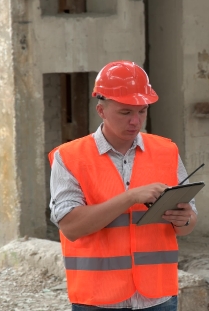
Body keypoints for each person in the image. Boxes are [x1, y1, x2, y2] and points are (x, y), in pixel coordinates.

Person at [48, 60, 197, 311]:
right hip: (97, 300)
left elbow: (188, 226)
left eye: (142, 111)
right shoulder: (70, 157)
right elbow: (71, 227)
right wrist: (130, 197)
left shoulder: (166, 151)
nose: (135, 121)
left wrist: (183, 219)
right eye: (125, 112)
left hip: (158, 298)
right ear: (101, 110)